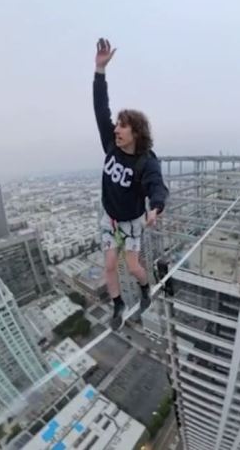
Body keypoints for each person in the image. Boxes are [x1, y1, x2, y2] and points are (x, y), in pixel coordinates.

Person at [93, 38, 169, 331]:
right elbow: (101, 109)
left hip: (133, 220)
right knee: (110, 266)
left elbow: (156, 186)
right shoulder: (111, 146)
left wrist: (156, 208)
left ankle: (144, 289)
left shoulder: (146, 162)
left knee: (134, 266)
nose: (116, 129)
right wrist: (99, 71)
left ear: (136, 132)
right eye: (117, 126)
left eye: (122, 126)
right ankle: (118, 305)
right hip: (109, 217)